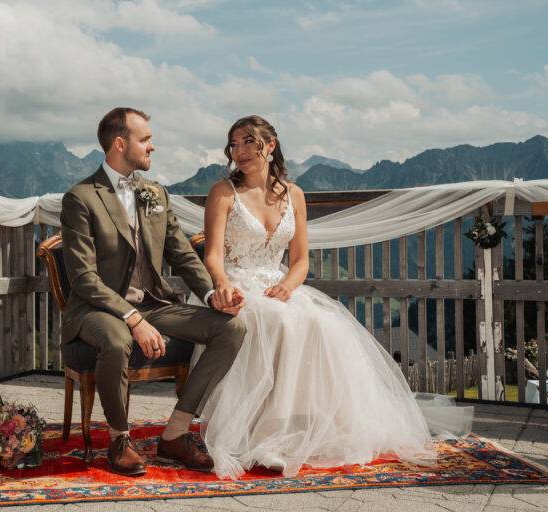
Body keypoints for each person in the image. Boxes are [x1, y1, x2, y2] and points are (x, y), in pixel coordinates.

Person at [198, 115, 473, 479]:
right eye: (234, 144)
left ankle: (291, 427)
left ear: (270, 145)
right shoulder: (223, 192)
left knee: (318, 321)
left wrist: (288, 287)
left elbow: (300, 260)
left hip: (277, 283)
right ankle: (259, 433)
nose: (240, 151)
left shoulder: (293, 194)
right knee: (276, 321)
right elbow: (212, 255)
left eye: (248, 141)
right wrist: (221, 284)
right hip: (235, 283)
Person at [60, 107, 246, 477]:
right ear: (119, 143)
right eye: (145, 139)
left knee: (231, 328)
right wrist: (131, 319)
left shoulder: (155, 193)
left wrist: (214, 296)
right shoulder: (80, 198)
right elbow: (83, 278)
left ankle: (175, 434)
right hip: (97, 309)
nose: (152, 146)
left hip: (153, 303)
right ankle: (118, 438)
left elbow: (181, 254)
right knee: (116, 341)